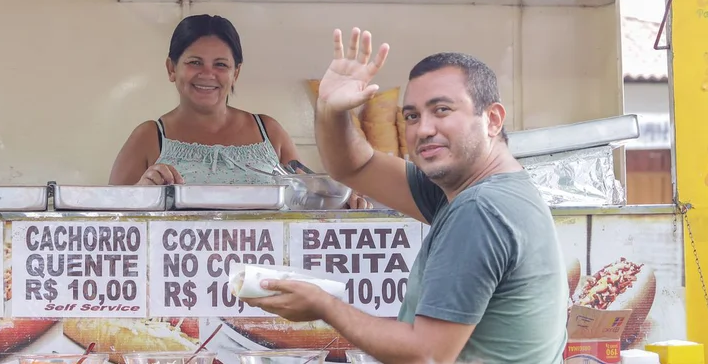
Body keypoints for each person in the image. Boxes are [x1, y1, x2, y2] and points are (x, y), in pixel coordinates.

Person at [243, 27, 568, 364]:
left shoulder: (480, 209)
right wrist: (331, 109)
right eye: (412, 115)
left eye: (442, 110)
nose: (423, 129)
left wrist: (324, 306)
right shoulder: (472, 189)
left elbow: (425, 354)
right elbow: (355, 166)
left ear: (493, 119)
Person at [108, 14, 370, 209]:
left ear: (236, 73)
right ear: (171, 68)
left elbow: (309, 199)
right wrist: (141, 193)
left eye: (221, 64)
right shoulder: (148, 137)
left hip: (262, 278)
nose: (208, 74)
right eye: (194, 62)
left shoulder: (269, 132)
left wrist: (348, 202)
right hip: (177, 280)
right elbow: (106, 222)